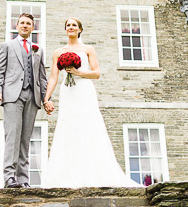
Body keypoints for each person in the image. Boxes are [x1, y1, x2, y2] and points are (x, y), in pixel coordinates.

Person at [41, 17, 138, 188]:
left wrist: (78, 73)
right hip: (68, 91)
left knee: (89, 125)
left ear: (79, 29)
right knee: (68, 126)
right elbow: (54, 76)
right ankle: (66, 174)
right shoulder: (58, 52)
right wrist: (47, 97)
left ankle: (94, 171)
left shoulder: (88, 49)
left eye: (74, 25)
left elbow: (97, 73)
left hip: (84, 90)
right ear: (65, 30)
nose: (71, 27)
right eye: (68, 25)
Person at [0, 13, 52, 188]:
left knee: (25, 139)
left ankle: (23, 179)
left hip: (32, 97)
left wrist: (46, 99)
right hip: (12, 96)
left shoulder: (37, 50)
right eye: (22, 23)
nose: (25, 26)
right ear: (17, 26)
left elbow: (42, 77)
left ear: (33, 28)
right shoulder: (7, 46)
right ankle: (10, 177)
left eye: (28, 24)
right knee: (12, 136)